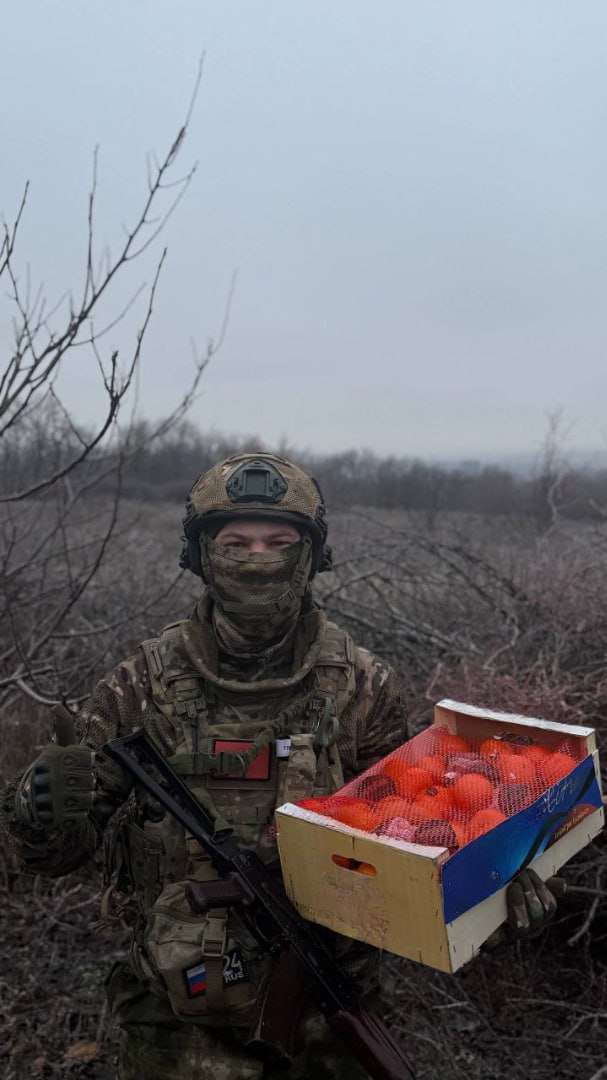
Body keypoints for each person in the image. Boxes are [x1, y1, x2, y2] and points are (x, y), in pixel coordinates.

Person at [1, 452, 560, 1079]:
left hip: (328, 1005)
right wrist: (39, 812)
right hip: (175, 1024)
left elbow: (415, 840)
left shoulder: (364, 687)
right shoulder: (140, 688)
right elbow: (56, 855)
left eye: (279, 540)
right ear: (201, 555)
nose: (259, 559)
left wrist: (487, 895)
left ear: (312, 555)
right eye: (235, 541)